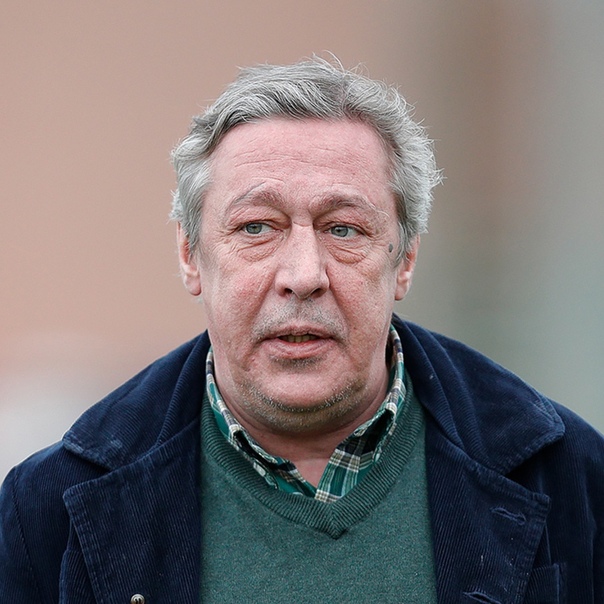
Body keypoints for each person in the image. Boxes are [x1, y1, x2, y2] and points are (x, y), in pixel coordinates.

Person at [1, 58, 602, 604]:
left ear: (405, 259)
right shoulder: (46, 512)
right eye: (257, 227)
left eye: (343, 229)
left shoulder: (574, 479)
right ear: (190, 255)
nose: (303, 275)